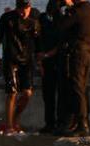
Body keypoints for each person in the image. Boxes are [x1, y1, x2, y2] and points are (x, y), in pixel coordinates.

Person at [0, 0, 41, 136]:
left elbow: (39, 40)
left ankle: (13, 118)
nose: (22, 12)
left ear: (30, 7)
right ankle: (9, 126)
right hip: (11, 59)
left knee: (27, 93)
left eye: (25, 9)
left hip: (27, 60)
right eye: (19, 9)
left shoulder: (36, 16)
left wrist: (39, 59)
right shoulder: (7, 18)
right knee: (12, 92)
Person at [56, 0, 90, 136]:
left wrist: (65, 9)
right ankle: (81, 122)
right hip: (89, 51)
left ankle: (82, 123)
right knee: (82, 86)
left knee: (76, 86)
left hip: (78, 52)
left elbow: (62, 26)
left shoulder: (77, 11)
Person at [37, 0, 66, 133]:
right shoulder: (45, 20)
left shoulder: (59, 21)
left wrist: (45, 55)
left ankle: (55, 123)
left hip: (56, 61)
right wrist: (42, 58)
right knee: (51, 94)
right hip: (51, 61)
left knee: (56, 94)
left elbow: (61, 43)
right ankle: (52, 123)